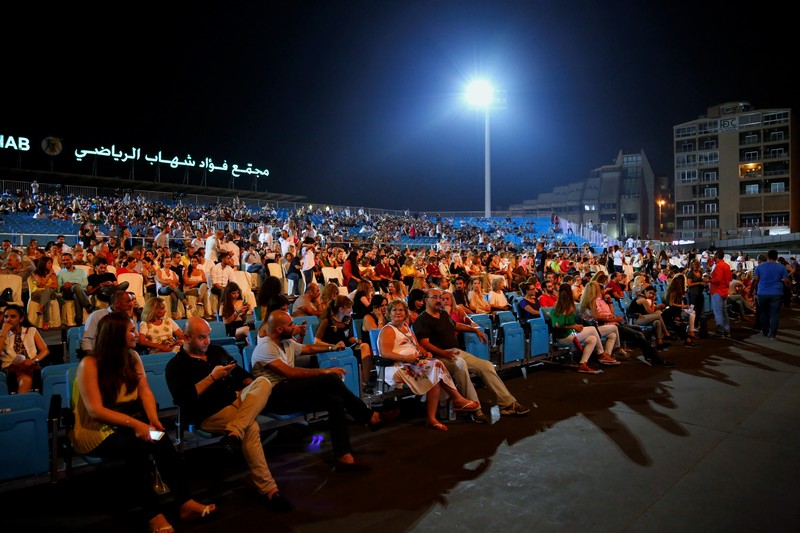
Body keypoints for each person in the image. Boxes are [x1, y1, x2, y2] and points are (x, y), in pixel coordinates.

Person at [72, 312, 216, 533]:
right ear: (115, 335)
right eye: (131, 330)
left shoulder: (132, 357)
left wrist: (152, 419)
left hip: (128, 423)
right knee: (135, 448)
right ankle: (153, 515)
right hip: (97, 430)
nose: (136, 334)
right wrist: (138, 425)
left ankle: (185, 502)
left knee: (162, 441)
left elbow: (145, 392)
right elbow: (96, 411)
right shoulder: (89, 364)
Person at [165, 316, 290, 512]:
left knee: (263, 383)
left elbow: (241, 375)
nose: (207, 342)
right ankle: (269, 489)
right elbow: (184, 399)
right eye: (201, 338)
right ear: (187, 338)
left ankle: (234, 431)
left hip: (236, 401)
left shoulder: (216, 351)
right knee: (252, 427)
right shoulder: (176, 366)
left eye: (208, 336)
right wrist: (212, 377)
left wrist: (253, 394)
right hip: (209, 413)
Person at [251, 310, 399, 471]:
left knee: (334, 400)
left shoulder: (286, 343)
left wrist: (331, 347)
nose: (294, 327)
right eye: (290, 325)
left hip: (290, 391)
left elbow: (308, 348)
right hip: (273, 397)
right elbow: (291, 373)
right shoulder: (265, 348)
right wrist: (325, 371)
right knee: (330, 378)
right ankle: (369, 416)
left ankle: (343, 456)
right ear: (280, 329)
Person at [413, 288, 531, 421]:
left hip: (454, 352)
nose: (439, 300)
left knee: (486, 365)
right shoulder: (422, 320)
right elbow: (425, 343)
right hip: (438, 357)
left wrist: (475, 330)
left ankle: (508, 404)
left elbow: (456, 325)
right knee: (460, 364)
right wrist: (444, 353)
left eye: (440, 297)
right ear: (426, 300)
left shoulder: (443, 314)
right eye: (435, 297)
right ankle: (475, 409)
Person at [378, 299, 479, 431]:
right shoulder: (388, 330)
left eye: (401, 310)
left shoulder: (405, 327)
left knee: (435, 374)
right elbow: (385, 353)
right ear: (389, 313)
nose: (398, 312)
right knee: (436, 366)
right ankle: (457, 399)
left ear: (406, 312)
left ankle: (432, 418)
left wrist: (425, 352)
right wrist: (406, 357)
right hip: (397, 367)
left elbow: (417, 345)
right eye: (394, 310)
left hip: (413, 363)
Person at [579, 282, 673, 367]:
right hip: (605, 326)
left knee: (638, 330)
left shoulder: (598, 301)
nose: (602, 291)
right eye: (600, 289)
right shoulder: (593, 302)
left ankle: (649, 355)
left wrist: (610, 302)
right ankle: (655, 358)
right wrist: (614, 318)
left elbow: (609, 313)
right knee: (638, 334)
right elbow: (597, 318)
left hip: (610, 324)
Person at [550, 283, 620, 374]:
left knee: (592, 338)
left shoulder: (566, 306)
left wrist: (575, 326)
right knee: (592, 329)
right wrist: (574, 326)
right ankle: (601, 354)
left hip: (570, 334)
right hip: (564, 337)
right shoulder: (559, 308)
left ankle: (583, 364)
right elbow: (557, 325)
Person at [315, 295, 373, 394]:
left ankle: (364, 383)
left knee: (365, 346)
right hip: (331, 350)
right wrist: (333, 346)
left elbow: (348, 337)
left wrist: (354, 340)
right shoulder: (327, 321)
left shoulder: (348, 320)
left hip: (346, 348)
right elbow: (316, 341)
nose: (351, 310)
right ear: (341, 309)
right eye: (349, 308)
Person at [0, 304, 49, 393]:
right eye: (6, 317)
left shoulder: (31, 330)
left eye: (13, 316)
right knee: (26, 380)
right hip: (10, 369)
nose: (8, 320)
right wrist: (3, 333)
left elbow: (45, 350)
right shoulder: (1, 334)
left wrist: (34, 360)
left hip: (30, 365)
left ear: (21, 319)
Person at [81, 290, 138, 357]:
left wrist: (130, 319)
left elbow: (136, 338)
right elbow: (87, 340)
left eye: (131, 301)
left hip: (122, 357)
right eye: (128, 301)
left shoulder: (130, 318)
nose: (131, 304)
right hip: (99, 357)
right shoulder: (97, 316)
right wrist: (93, 358)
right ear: (117, 304)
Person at [753, 249, 792, 340]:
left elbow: (755, 280)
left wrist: (752, 290)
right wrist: (789, 287)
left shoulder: (760, 267)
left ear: (768, 256)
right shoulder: (781, 267)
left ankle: (765, 331)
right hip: (776, 293)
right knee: (775, 314)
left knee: (764, 312)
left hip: (762, 292)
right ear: (777, 257)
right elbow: (786, 281)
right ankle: (772, 334)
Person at [57, 252, 93, 326]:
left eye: (68, 260)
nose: (65, 262)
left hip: (81, 291)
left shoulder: (81, 272)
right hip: (67, 292)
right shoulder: (60, 273)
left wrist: (73, 284)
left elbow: (85, 283)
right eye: (63, 260)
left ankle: (78, 319)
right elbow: (58, 288)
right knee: (76, 287)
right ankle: (88, 306)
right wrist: (65, 285)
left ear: (72, 260)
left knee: (76, 294)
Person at [29, 256, 64, 330]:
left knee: (47, 291)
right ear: (43, 263)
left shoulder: (53, 274)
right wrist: (49, 275)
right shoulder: (35, 273)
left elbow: (55, 285)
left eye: (51, 263)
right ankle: (46, 322)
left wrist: (45, 286)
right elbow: (42, 282)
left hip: (50, 293)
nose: (51, 265)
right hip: (37, 293)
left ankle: (41, 308)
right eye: (49, 263)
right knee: (46, 298)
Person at [709, 249, 732, 337]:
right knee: (724, 311)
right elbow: (729, 278)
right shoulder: (727, 265)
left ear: (717, 256)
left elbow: (717, 280)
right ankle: (727, 331)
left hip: (717, 291)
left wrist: (710, 280)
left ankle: (720, 331)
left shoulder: (718, 266)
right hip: (725, 291)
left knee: (718, 312)